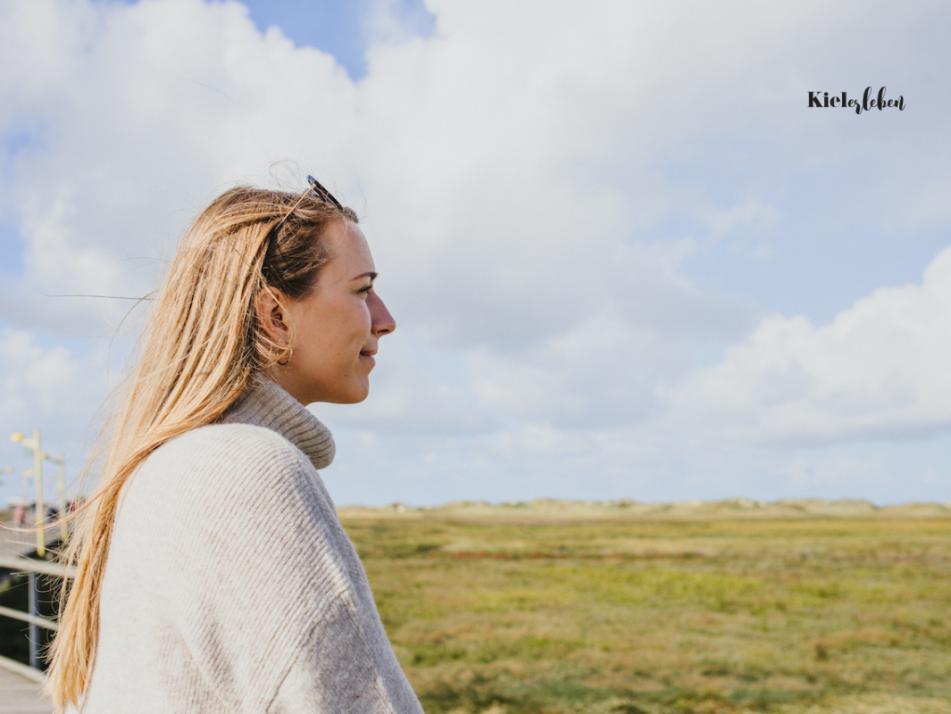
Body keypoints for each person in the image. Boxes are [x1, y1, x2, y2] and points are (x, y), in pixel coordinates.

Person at [43, 176, 423, 713]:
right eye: (363, 290)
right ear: (275, 317)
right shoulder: (249, 469)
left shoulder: (174, 463)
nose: (385, 320)